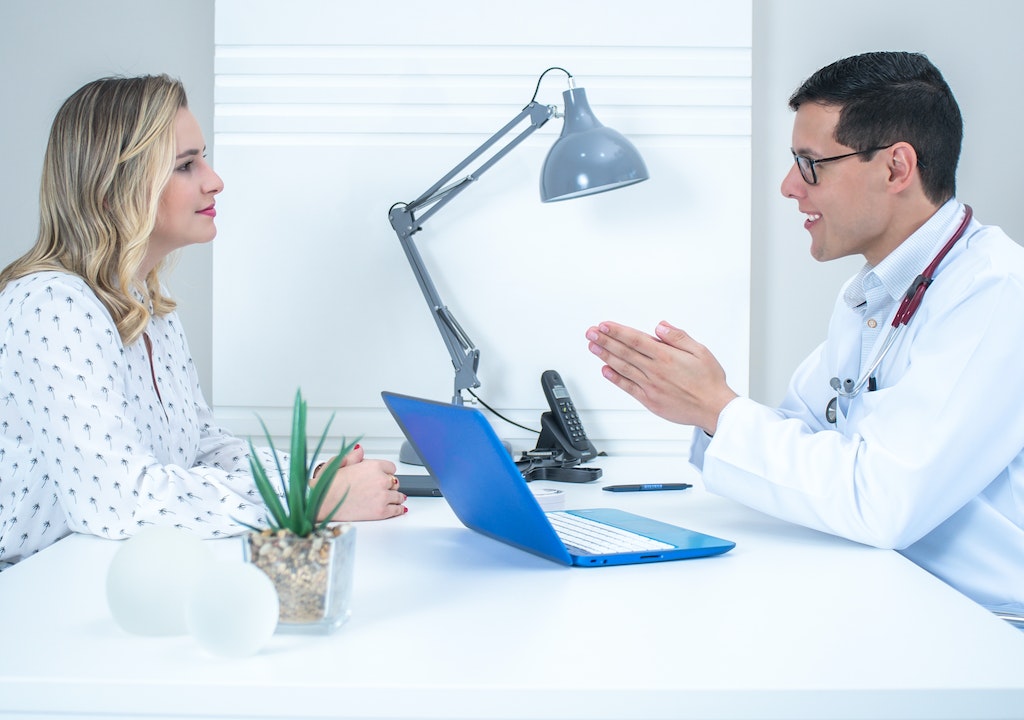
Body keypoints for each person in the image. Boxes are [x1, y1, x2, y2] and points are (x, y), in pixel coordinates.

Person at [585, 51, 1024, 619]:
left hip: (986, 628)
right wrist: (700, 406)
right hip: (895, 593)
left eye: (811, 163)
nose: (790, 186)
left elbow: (882, 502)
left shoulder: (995, 292)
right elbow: (808, 434)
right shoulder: (874, 294)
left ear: (896, 168)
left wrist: (718, 408)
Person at [0, 75, 406, 569]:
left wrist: (309, 476)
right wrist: (317, 503)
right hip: (31, 594)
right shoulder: (50, 305)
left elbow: (202, 450)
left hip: (101, 572)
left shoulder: (148, 302)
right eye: (186, 165)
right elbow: (117, 500)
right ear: (112, 190)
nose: (214, 181)